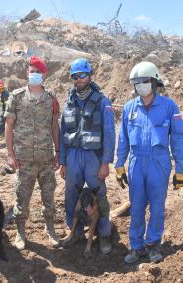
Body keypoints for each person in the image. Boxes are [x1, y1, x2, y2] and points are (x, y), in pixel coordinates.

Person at [115, 61, 183, 264]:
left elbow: (179, 139)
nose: (140, 86)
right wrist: (120, 165)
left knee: (156, 207)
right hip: (137, 163)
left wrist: (181, 169)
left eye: (144, 81)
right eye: (136, 82)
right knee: (137, 207)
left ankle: (153, 245)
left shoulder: (169, 106)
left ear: (154, 82)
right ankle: (136, 247)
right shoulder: (130, 108)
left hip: (159, 162)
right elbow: (123, 140)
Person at [59, 58, 115, 255]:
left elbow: (109, 133)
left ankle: (104, 234)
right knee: (71, 197)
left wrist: (106, 162)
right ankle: (75, 233)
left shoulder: (102, 101)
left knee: (99, 197)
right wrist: (63, 161)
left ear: (90, 76)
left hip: (93, 158)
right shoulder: (69, 102)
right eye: (75, 76)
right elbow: (62, 132)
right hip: (73, 157)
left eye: (82, 75)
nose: (79, 79)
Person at [4, 56, 60, 250]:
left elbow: (54, 126)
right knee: (22, 198)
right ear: (27, 73)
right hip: (24, 159)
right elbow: (9, 126)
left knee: (49, 196)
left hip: (46, 157)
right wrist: (10, 154)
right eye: (32, 71)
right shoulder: (16, 97)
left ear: (44, 75)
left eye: (38, 72)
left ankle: (50, 229)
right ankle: (20, 233)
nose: (34, 75)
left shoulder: (51, 99)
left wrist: (58, 151)